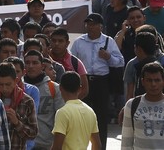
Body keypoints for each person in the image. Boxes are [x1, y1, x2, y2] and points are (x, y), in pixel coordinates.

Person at [69, 13, 124, 149]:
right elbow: (71, 62)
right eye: (88, 24)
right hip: (84, 81)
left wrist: (108, 57)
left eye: (93, 24)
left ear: (101, 26)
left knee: (100, 117)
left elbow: (120, 62)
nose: (90, 27)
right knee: (81, 116)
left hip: (101, 82)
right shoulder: (79, 42)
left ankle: (100, 147)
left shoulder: (108, 41)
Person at [23, 50, 64, 149]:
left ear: (42, 66)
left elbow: (61, 120)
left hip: (45, 145)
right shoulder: (18, 88)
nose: (31, 66)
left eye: (35, 63)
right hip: (22, 144)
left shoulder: (54, 88)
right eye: (27, 63)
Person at [51, 72, 101, 150]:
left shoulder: (62, 112)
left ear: (60, 87)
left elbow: (57, 147)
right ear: (80, 88)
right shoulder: (90, 111)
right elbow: (97, 144)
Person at [0, 62, 38, 150]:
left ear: (15, 80)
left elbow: (33, 134)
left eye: (8, 84)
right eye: (1, 84)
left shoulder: (27, 101)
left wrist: (17, 122)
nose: (4, 88)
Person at [121, 62, 164, 148]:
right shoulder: (132, 105)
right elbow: (126, 139)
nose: (153, 84)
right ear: (143, 81)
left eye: (157, 80)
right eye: (149, 80)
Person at [49, 28, 89, 98]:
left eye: (60, 41)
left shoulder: (76, 62)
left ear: (67, 43)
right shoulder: (44, 60)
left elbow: (84, 89)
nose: (56, 44)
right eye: (54, 41)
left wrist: (71, 102)